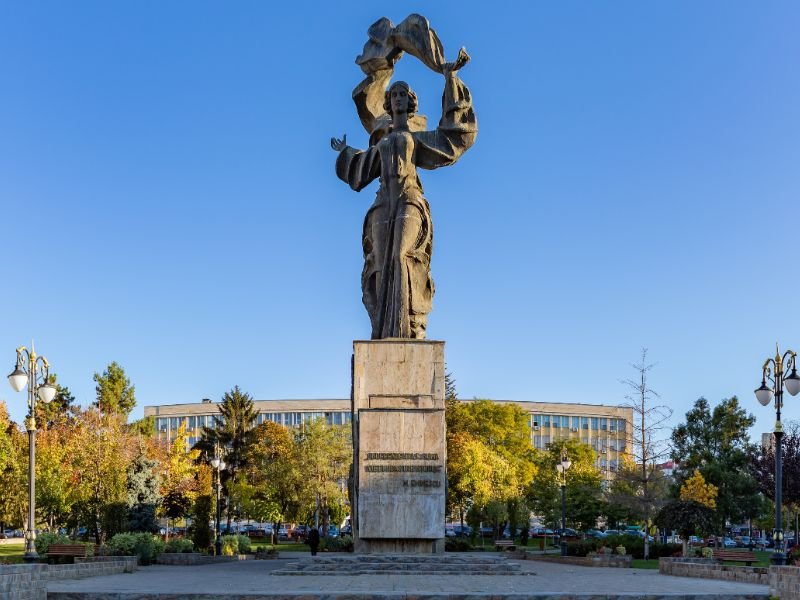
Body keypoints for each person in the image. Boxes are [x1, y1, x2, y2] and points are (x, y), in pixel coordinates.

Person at [331, 51, 476, 339]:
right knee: (382, 263)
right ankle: (381, 331)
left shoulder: (416, 138)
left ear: (410, 102)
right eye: (393, 94)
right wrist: (345, 153)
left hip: (409, 200)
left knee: (402, 256)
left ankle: (411, 329)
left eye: (402, 94)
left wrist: (450, 78)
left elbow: (452, 138)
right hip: (384, 202)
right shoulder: (385, 142)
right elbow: (362, 168)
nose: (397, 97)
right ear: (389, 102)